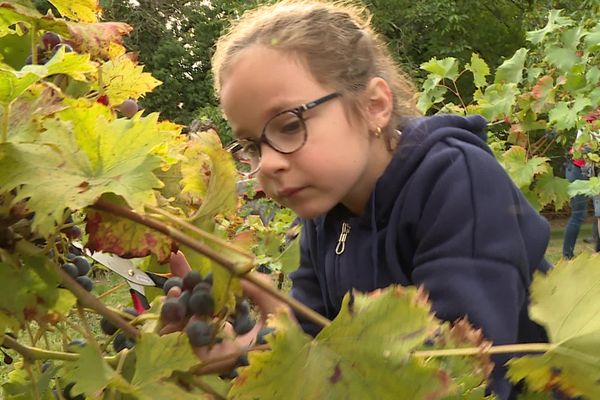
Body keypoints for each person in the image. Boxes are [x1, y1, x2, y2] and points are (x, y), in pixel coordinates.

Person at [168, 1, 551, 398]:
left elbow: (463, 369)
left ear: (374, 106)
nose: (267, 164)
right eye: (251, 144)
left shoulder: (456, 182)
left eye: (288, 125)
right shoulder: (325, 214)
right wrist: (243, 350)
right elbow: (317, 340)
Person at [563, 111, 600, 259]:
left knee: (598, 212)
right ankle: (567, 255)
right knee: (579, 215)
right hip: (579, 171)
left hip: (590, 171)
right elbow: (584, 150)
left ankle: (597, 249)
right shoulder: (589, 123)